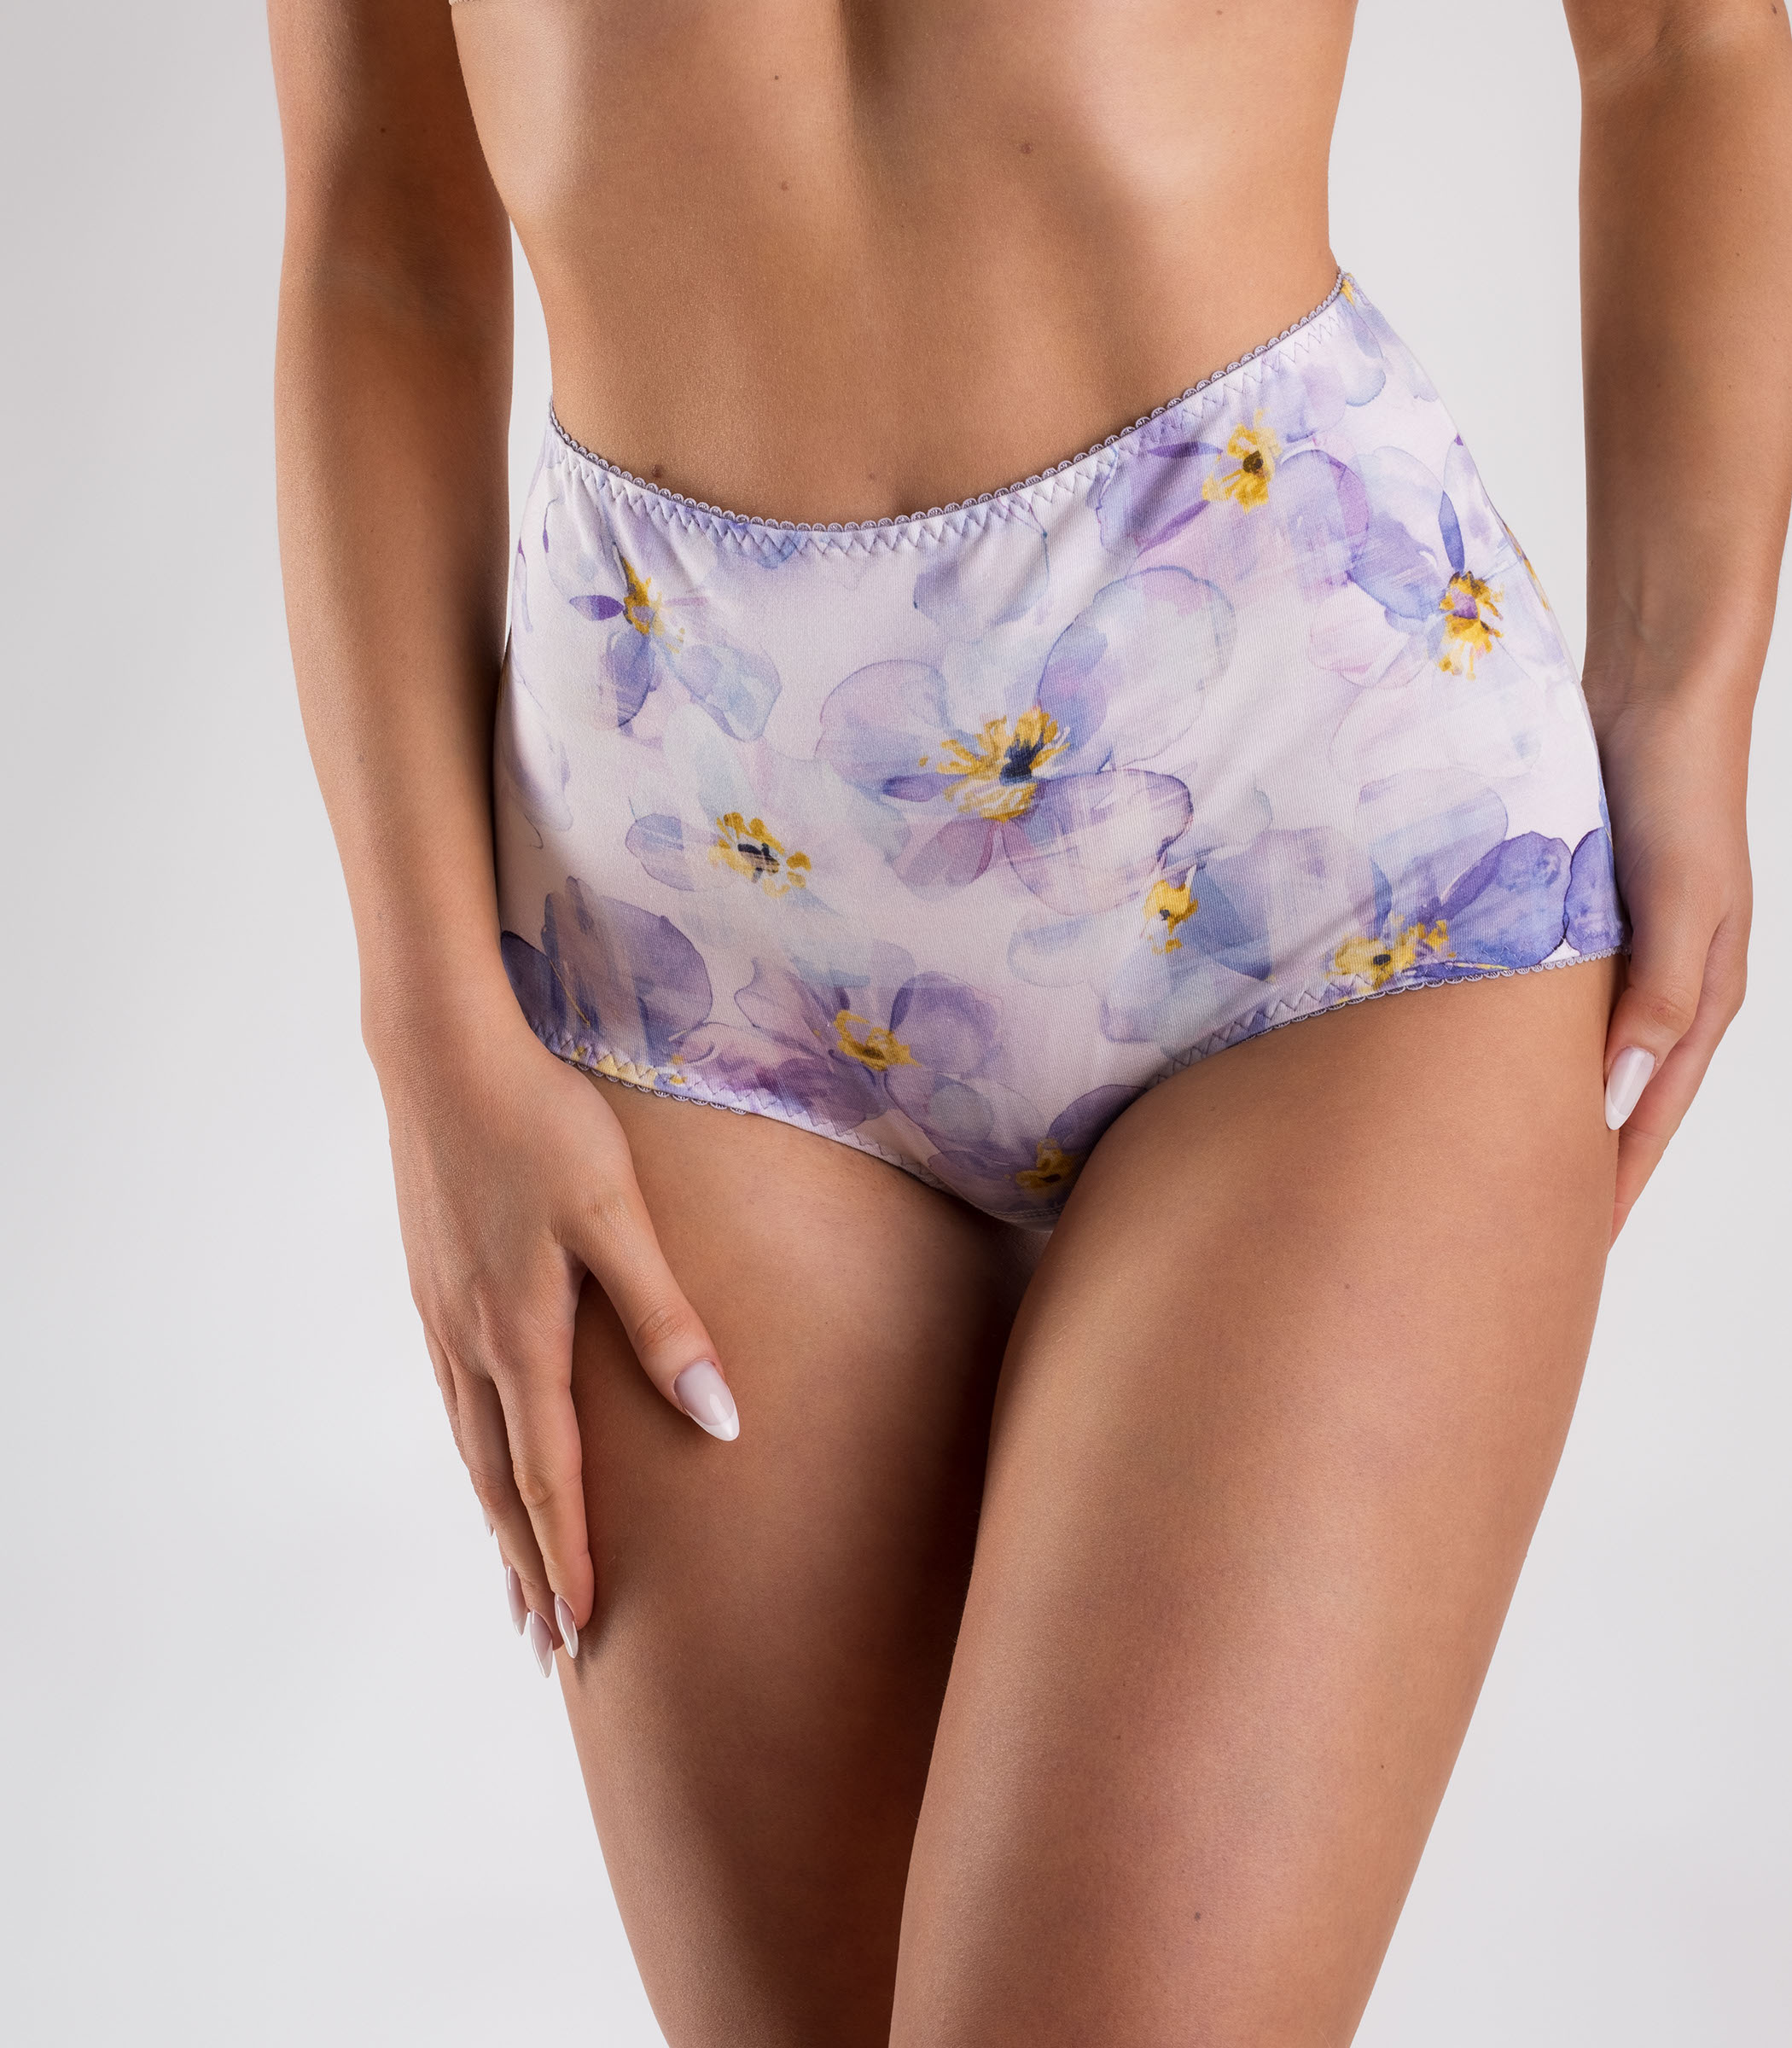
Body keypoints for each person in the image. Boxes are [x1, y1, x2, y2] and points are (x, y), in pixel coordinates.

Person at [267, 2, 1789, 2040]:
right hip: (680, 911)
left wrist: (1687, 700)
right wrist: (429, 1025)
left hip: (1310, 818)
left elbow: (1685, 38)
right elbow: (380, 224)